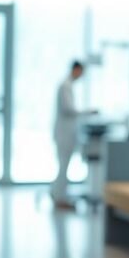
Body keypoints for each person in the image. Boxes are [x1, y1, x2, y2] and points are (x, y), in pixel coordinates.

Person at [51, 60, 86, 208]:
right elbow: (69, 109)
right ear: (76, 70)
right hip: (64, 133)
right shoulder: (65, 86)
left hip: (65, 131)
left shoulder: (67, 85)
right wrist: (87, 112)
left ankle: (56, 193)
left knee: (63, 166)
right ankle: (60, 199)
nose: (82, 76)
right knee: (64, 166)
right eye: (81, 72)